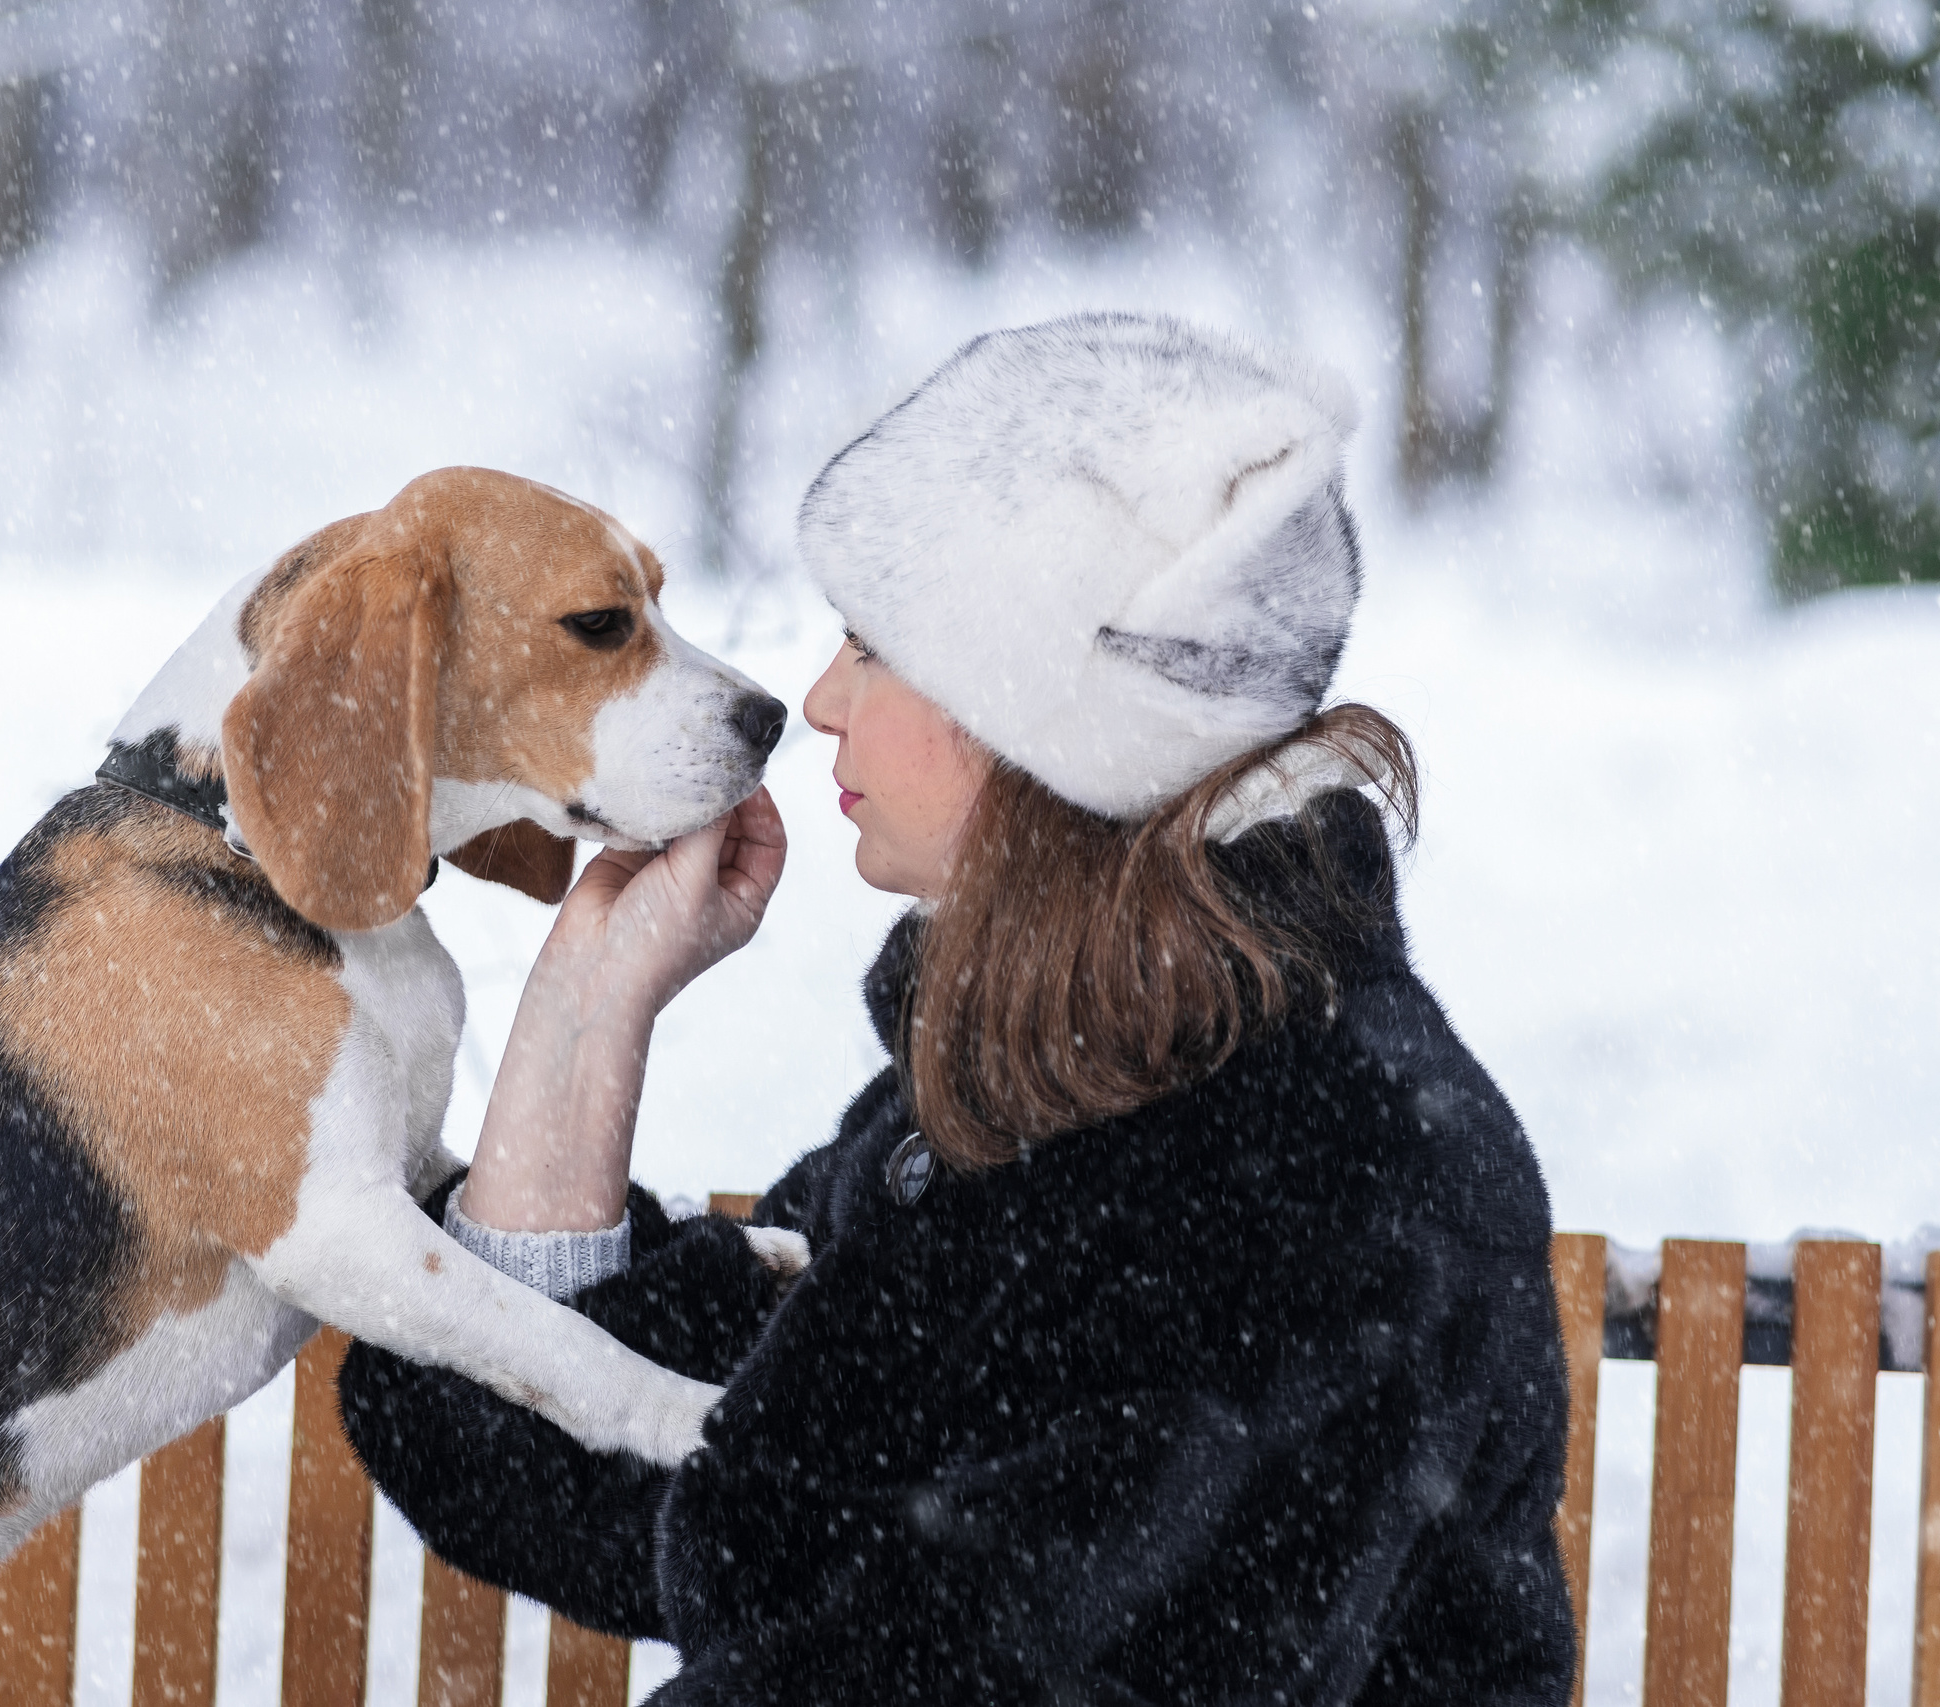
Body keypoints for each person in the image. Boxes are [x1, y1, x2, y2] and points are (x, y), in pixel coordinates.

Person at [339, 313, 1575, 1704]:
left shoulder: (1322, 1164)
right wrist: (591, 1006)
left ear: (1042, 719)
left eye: (875, 645)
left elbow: (986, 1666)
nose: (814, 701)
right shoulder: (1043, 1074)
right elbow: (633, 1478)